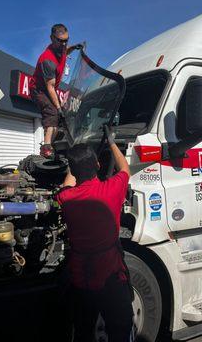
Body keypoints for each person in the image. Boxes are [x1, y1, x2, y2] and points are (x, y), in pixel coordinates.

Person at [56, 125, 134, 342]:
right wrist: (111, 142)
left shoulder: (66, 199)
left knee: (83, 330)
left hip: (82, 280)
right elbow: (125, 169)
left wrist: (75, 162)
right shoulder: (112, 189)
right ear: (99, 165)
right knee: (120, 329)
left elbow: (67, 185)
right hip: (111, 278)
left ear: (73, 169)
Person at [30, 24, 82, 158]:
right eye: (61, 41)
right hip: (39, 90)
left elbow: (67, 51)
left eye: (67, 40)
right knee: (53, 111)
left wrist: (74, 47)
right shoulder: (47, 60)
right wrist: (58, 107)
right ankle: (46, 148)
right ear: (52, 38)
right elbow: (50, 87)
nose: (64, 44)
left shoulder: (62, 48)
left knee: (61, 114)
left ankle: (51, 143)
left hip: (50, 88)